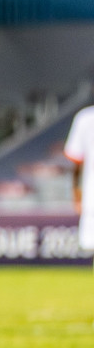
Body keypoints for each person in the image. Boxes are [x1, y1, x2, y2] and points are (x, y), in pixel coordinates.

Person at [65, 102, 94, 259]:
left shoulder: (86, 117)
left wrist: (76, 192)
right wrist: (76, 192)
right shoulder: (85, 117)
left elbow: (76, 163)